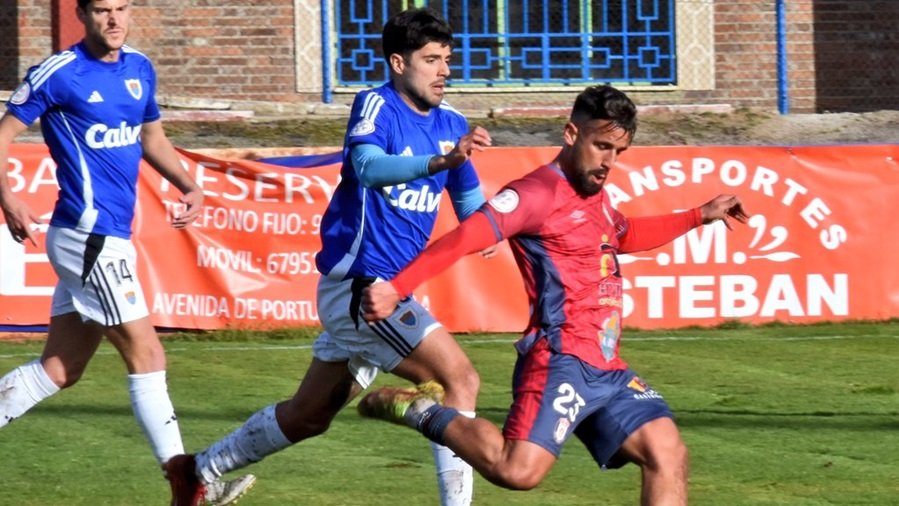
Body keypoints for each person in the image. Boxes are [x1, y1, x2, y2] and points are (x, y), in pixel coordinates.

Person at [358, 84, 750, 505]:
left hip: (606, 367)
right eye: (601, 146)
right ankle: (422, 412)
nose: (609, 162)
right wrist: (396, 289)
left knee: (667, 452)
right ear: (570, 134)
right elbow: (464, 238)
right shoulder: (535, 193)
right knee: (516, 470)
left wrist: (698, 215)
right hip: (560, 361)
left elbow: (625, 233)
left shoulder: (594, 193)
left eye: (618, 151)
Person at [164, 7, 492, 506]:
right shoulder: (377, 105)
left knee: (308, 416)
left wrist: (505, 225)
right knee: (458, 379)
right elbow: (366, 167)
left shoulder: (453, 122)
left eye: (447, 58)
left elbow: (471, 207)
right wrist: (439, 161)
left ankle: (198, 472)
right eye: (432, 59)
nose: (445, 70)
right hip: (359, 287)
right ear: (398, 63)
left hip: (385, 293)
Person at [0, 1, 255, 504]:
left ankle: (189, 481)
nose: (114, 20)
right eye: (102, 10)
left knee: (60, 369)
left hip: (107, 238)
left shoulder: (139, 67)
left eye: (122, 8)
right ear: (82, 14)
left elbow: (150, 136)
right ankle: (189, 482)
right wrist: (7, 197)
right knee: (148, 352)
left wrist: (189, 184)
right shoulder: (58, 72)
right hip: (87, 237)